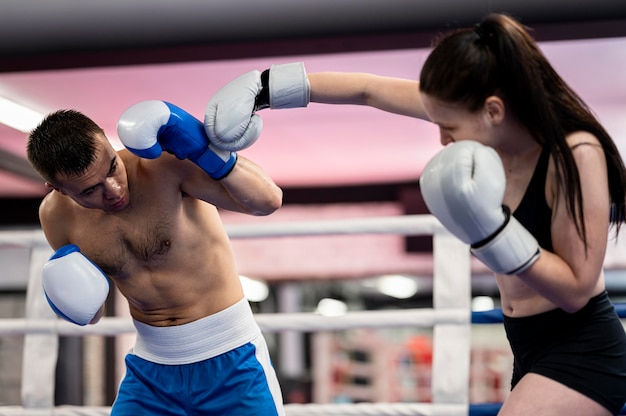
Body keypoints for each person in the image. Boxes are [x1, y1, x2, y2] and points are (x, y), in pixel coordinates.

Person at [204, 13, 626, 416]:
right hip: (526, 344)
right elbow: (367, 90)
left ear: (494, 111)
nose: (443, 139)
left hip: (582, 349)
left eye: (449, 128)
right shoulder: (481, 120)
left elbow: (575, 291)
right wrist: (264, 88)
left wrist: (494, 233)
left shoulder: (573, 154)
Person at [26, 100, 286, 415]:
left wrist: (203, 149)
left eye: (111, 167)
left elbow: (268, 200)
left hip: (231, 358)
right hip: (151, 371)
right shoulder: (56, 216)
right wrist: (66, 296)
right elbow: (89, 312)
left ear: (109, 142)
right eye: (90, 190)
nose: (114, 189)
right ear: (59, 189)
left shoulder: (162, 165)